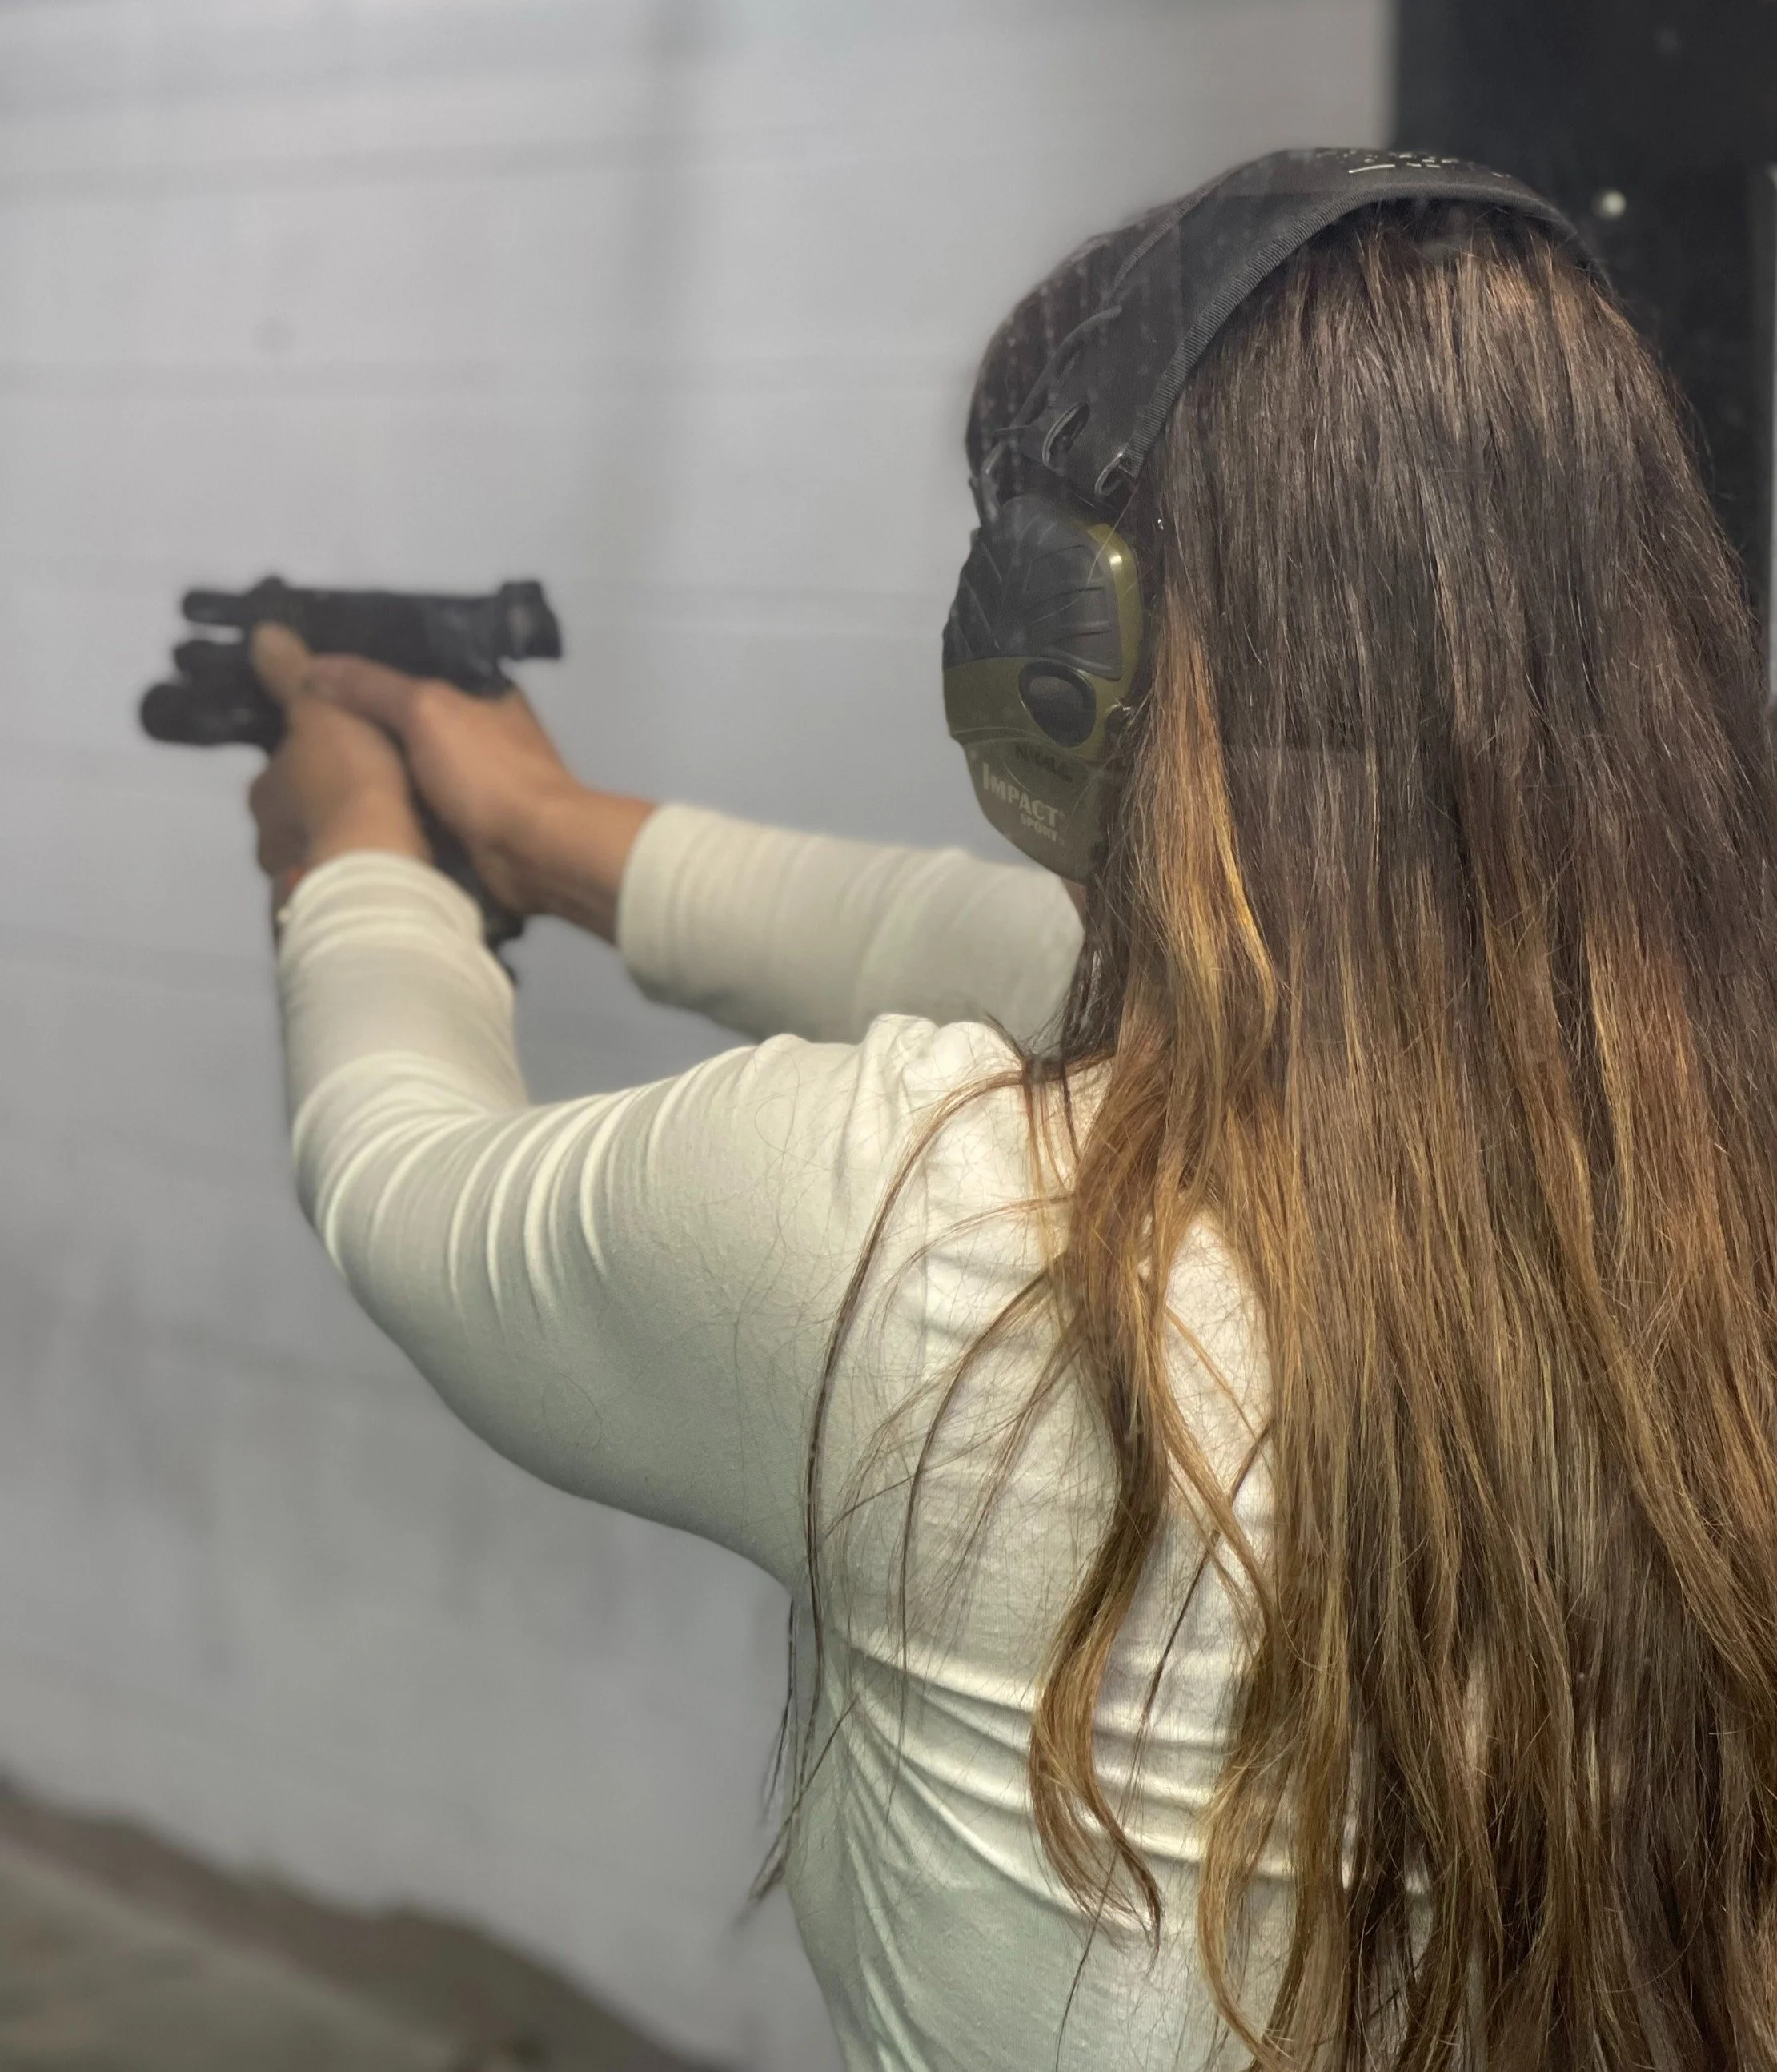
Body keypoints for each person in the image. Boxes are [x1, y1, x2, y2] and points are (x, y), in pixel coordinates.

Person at [240, 162, 1777, 2071]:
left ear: (1068, 660)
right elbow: (945, 935)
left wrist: (351, 855)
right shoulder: (1708, 1165)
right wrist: (550, 838)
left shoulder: (939, 1235)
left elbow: (410, 1183)